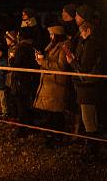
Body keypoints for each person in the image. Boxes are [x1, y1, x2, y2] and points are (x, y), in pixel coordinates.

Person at [67, 19, 101, 156]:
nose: (80, 35)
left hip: (87, 85)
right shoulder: (85, 43)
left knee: (88, 117)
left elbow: (85, 66)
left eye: (82, 32)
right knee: (88, 116)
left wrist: (72, 62)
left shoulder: (91, 44)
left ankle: (91, 148)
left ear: (88, 30)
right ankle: (91, 146)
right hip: (84, 84)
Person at [33, 24, 71, 146]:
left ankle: (57, 137)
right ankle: (50, 136)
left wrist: (43, 62)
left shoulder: (64, 47)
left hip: (56, 84)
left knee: (56, 114)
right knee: (50, 113)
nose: (50, 37)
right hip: (49, 85)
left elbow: (61, 66)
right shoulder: (52, 46)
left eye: (52, 34)